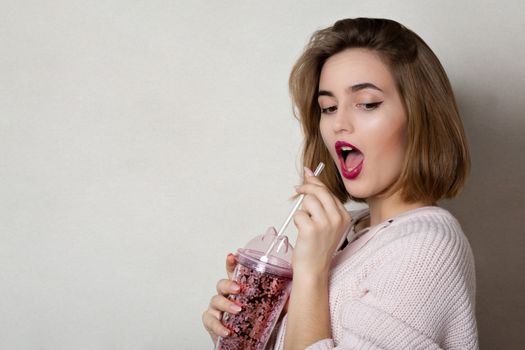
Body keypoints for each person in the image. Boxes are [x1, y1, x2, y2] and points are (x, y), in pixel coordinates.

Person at [202, 17, 478, 349]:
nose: (338, 124)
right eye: (328, 107)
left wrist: (310, 272)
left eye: (368, 103)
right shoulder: (349, 237)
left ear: (420, 117)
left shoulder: (427, 248)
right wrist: (249, 329)